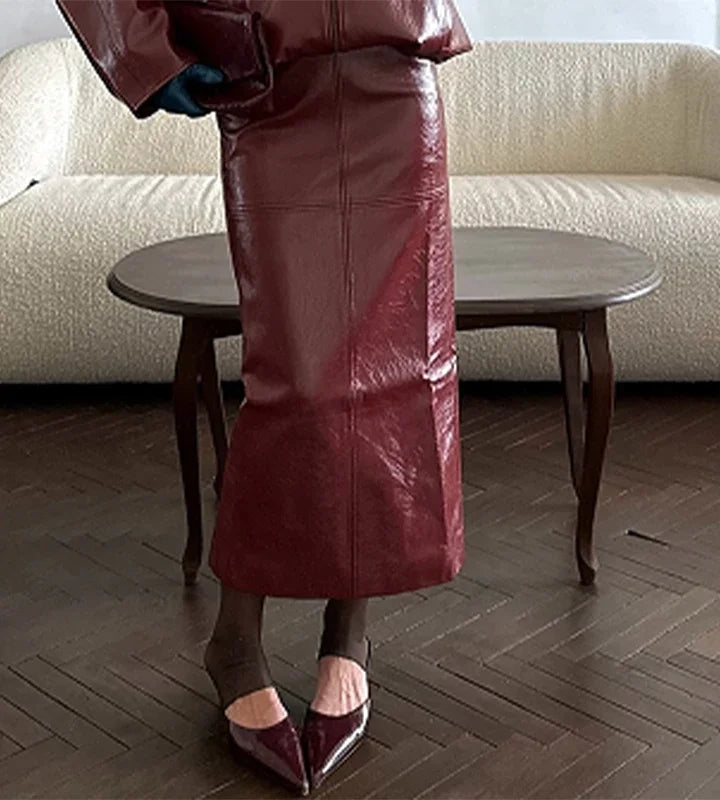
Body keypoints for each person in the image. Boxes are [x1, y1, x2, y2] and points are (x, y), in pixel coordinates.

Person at [55, 0, 472, 794]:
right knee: (296, 384)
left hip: (395, 77)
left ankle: (349, 634)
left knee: (389, 372)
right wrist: (149, 52)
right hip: (270, 85)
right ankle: (235, 644)